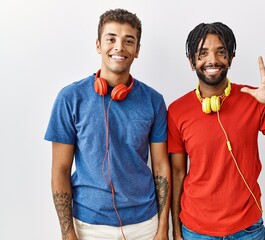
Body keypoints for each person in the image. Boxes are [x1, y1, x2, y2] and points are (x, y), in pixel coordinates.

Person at [168, 22, 265, 240]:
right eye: (202, 53)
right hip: (196, 231)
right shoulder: (177, 111)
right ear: (191, 61)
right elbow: (177, 173)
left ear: (231, 57)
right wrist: (176, 231)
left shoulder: (256, 99)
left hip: (248, 231)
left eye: (220, 52)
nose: (212, 60)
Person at [45, 8, 171, 240]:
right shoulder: (70, 98)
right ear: (98, 44)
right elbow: (60, 170)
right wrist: (67, 233)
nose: (119, 47)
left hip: (144, 224)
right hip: (88, 226)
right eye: (111, 38)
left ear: (137, 50)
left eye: (128, 41)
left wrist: (163, 229)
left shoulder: (154, 101)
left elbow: (162, 167)